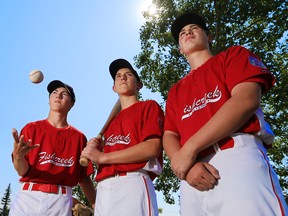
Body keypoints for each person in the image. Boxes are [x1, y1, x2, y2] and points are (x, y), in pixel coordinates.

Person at [163, 12, 288, 216]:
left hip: (235, 157)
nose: (187, 32)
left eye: (194, 28)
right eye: (182, 33)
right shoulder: (175, 91)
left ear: (209, 36)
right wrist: (184, 166)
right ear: (179, 49)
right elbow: (169, 134)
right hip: (192, 177)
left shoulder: (232, 56)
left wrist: (189, 149)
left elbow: (246, 99)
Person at [81, 58, 164, 216]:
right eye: (118, 75)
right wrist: (97, 150)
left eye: (129, 74)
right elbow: (106, 161)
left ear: (139, 85)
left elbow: (151, 148)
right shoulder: (111, 124)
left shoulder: (148, 106)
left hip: (132, 183)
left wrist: (102, 157)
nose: (122, 77)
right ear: (113, 88)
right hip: (104, 189)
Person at [9, 80, 96, 216]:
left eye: (64, 94)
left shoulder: (79, 138)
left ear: (72, 104)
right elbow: (22, 171)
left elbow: (83, 178)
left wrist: (98, 206)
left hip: (60, 202)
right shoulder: (31, 128)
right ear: (49, 101)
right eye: (54, 92)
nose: (58, 95)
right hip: (28, 199)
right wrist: (18, 157)